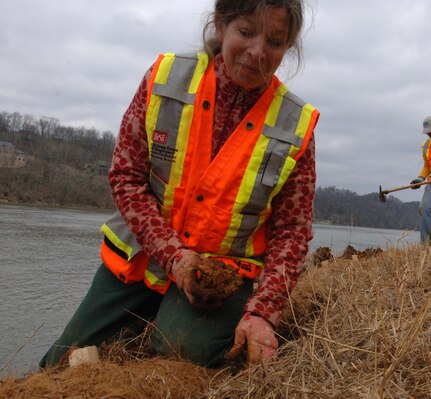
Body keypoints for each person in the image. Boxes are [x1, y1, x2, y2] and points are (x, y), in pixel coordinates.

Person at [40, 0, 319, 368]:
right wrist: (174, 257)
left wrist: (264, 311)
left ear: (287, 47)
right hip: (141, 259)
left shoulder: (296, 125)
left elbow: (293, 231)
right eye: (246, 32)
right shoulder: (164, 78)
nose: (257, 52)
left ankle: (177, 327)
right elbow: (126, 177)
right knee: (61, 360)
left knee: (185, 350)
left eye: (275, 41)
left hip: (222, 277)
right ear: (221, 25)